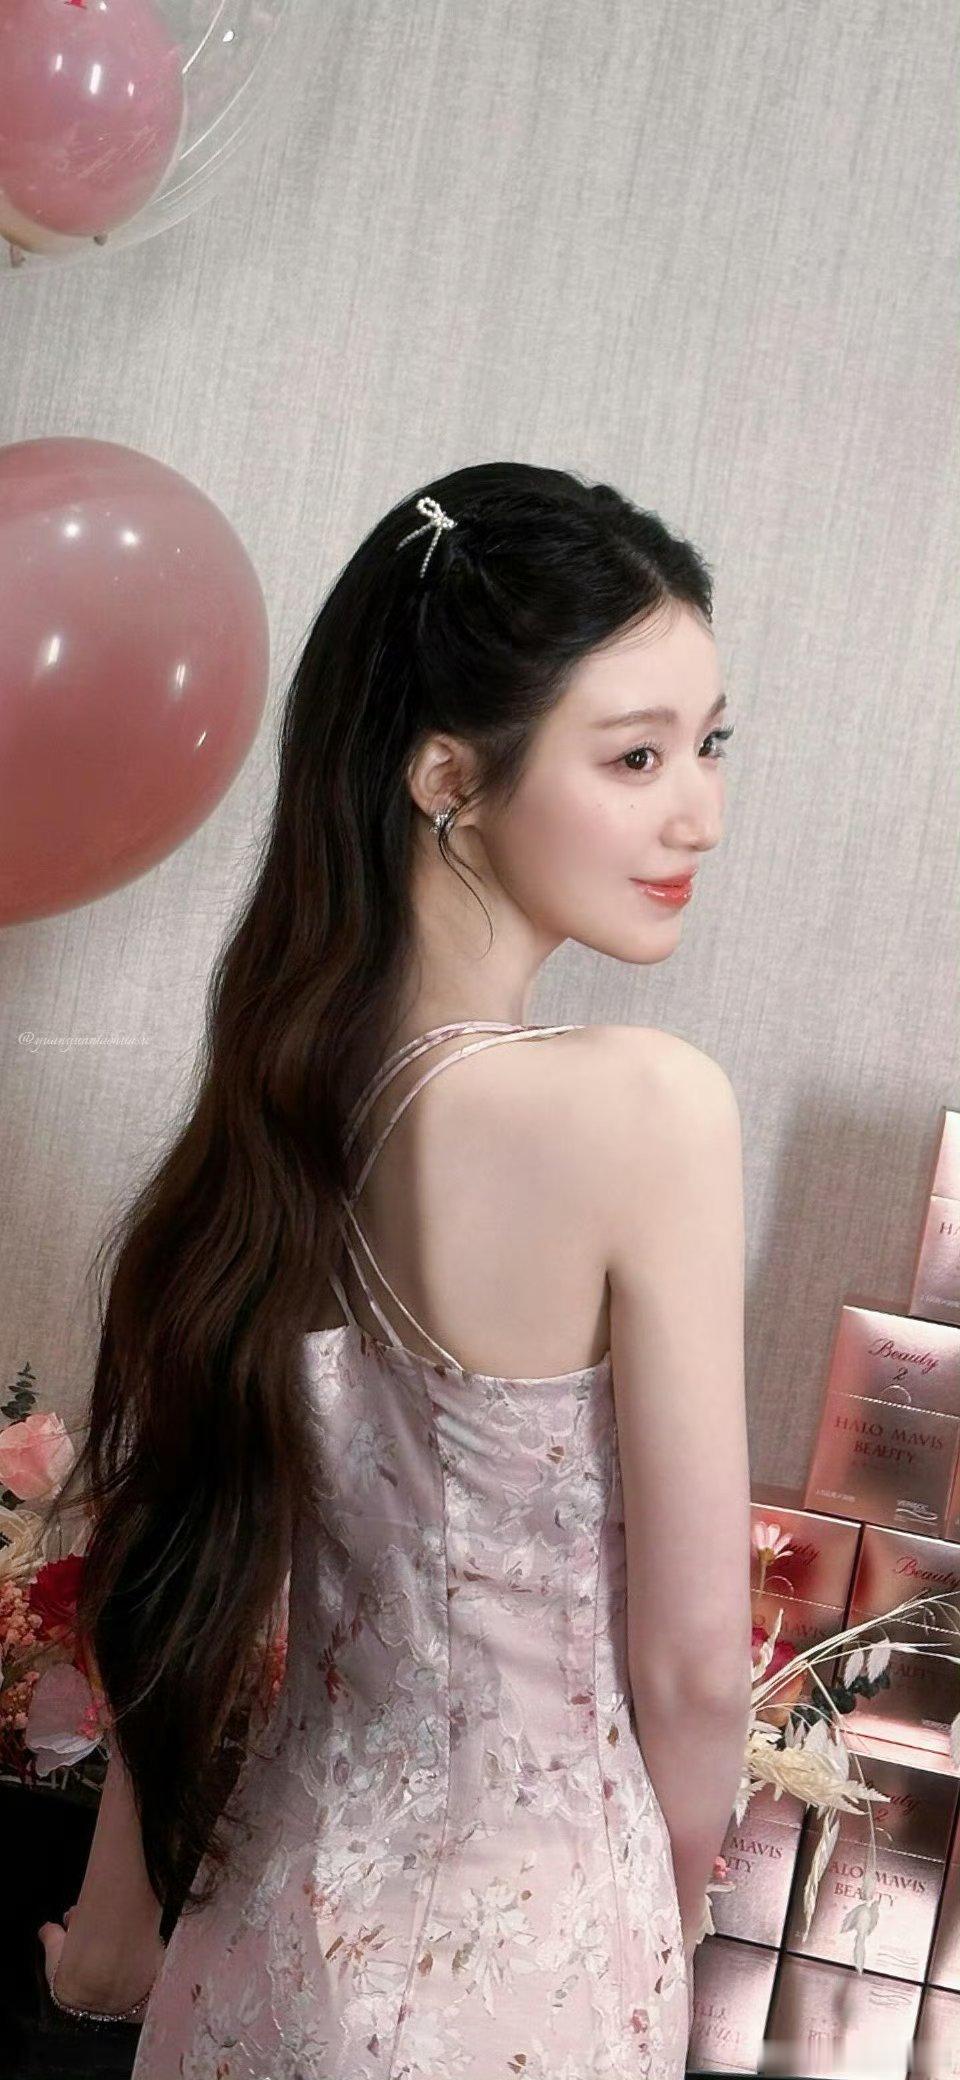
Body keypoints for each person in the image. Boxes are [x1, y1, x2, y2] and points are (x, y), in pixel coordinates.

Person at [39, 462, 753, 2077]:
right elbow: (695, 1665)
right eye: (635, 756)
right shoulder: (646, 1108)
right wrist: (671, 1910)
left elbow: (181, 1573)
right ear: (448, 777)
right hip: (531, 1979)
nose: (698, 812)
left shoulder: (268, 1121)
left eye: (712, 746)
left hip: (256, 1962)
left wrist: (112, 1938)